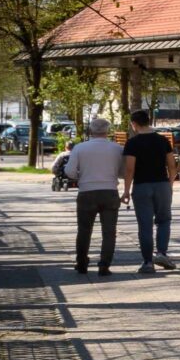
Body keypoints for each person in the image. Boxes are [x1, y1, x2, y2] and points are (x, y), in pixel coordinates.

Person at [62, 118, 126, 275]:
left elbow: (69, 171)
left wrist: (81, 176)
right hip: (110, 191)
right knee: (109, 231)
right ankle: (104, 265)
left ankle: (82, 262)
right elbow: (124, 172)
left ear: (90, 131)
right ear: (108, 131)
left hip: (86, 191)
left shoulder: (80, 148)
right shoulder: (117, 148)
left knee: (84, 230)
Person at [122, 108, 178, 272]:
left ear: (134, 124)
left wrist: (126, 190)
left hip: (141, 186)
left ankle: (147, 262)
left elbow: (130, 169)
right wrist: (170, 184)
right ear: (149, 122)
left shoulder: (132, 143)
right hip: (162, 185)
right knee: (164, 220)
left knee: (145, 225)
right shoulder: (162, 140)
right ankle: (161, 253)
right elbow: (172, 166)